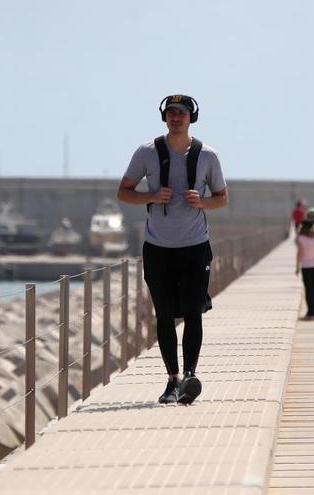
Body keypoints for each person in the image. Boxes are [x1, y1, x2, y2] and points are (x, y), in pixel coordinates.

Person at [117, 94, 228, 405]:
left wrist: (202, 202)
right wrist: (151, 195)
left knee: (194, 312)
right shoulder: (147, 152)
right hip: (158, 247)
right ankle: (172, 379)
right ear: (164, 117)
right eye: (170, 113)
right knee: (164, 314)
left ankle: (191, 375)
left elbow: (222, 198)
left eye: (181, 113)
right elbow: (124, 192)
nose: (175, 118)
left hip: (195, 246)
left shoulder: (208, 155)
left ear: (192, 118)